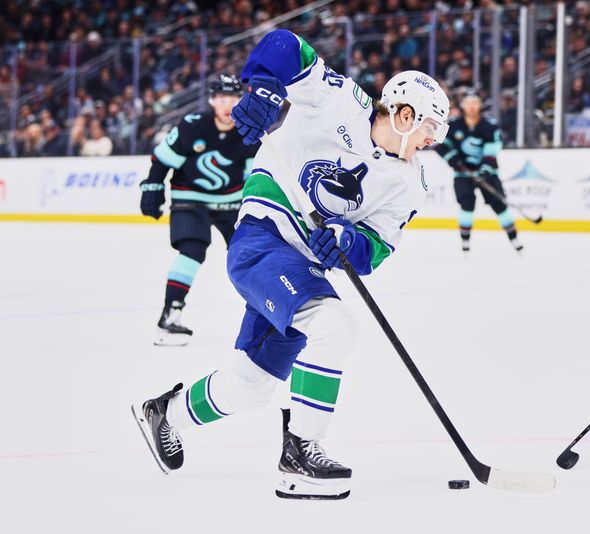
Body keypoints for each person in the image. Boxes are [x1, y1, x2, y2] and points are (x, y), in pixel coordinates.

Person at [132, 29, 450, 500]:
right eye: (428, 129)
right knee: (336, 325)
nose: (430, 141)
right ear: (405, 114)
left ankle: (167, 413)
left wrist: (346, 240)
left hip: (301, 270)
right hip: (261, 241)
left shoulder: (411, 181)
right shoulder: (340, 100)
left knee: (252, 386)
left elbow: (376, 247)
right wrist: (264, 88)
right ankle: (302, 452)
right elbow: (283, 44)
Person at [138, 73, 259, 346]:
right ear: (212, 100)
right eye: (222, 98)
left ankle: (265, 313)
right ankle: (170, 317)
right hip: (190, 198)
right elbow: (162, 160)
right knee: (192, 250)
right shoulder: (192, 127)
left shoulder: (248, 132)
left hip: (231, 202)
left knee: (250, 254)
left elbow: (255, 177)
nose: (228, 104)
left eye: (234, 97)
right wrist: (153, 186)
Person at [435, 90, 523, 252]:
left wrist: (484, 171)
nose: (471, 107)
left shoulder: (489, 125)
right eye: (468, 103)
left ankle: (514, 239)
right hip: (463, 173)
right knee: (467, 203)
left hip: (487, 173)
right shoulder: (454, 125)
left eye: (474, 102)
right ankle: (465, 241)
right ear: (463, 105)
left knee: (499, 204)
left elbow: (492, 151)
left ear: (480, 104)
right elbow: (439, 145)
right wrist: (454, 160)